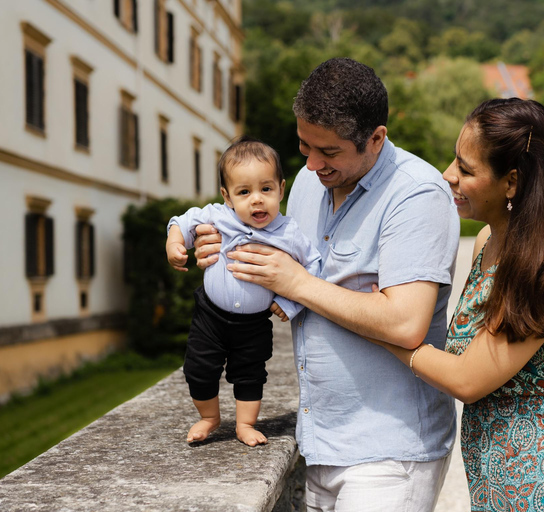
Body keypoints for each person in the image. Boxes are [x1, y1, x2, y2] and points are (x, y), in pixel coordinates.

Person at [193, 58, 460, 511]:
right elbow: (270, 262)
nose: (313, 163)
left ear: (376, 138)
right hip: (318, 441)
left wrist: (296, 282)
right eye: (303, 146)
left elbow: (406, 323)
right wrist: (217, 250)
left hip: (388, 455)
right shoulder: (308, 184)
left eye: (330, 152)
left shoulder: (417, 194)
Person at [373, 98, 544, 511]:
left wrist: (380, 326)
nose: (447, 175)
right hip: (502, 465)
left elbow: (468, 380)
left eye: (466, 169)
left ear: (511, 183)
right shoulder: (488, 242)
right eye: (455, 160)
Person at [166, 136, 320, 447]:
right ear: (227, 195)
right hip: (210, 316)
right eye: (244, 192)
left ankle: (245, 424)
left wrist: (289, 303)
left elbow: (313, 267)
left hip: (254, 323)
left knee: (251, 374)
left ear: (281, 188)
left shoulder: (288, 232)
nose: (257, 200)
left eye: (266, 189)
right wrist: (174, 244)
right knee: (198, 368)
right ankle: (209, 417)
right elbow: (181, 222)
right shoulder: (217, 216)